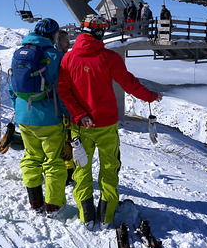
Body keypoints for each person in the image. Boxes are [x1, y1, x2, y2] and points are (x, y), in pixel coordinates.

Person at [58, 14, 163, 230]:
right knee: (109, 168)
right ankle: (105, 217)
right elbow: (130, 84)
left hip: (80, 126)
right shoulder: (110, 58)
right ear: (99, 33)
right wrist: (151, 96)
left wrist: (79, 115)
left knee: (82, 170)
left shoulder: (67, 59)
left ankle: (86, 217)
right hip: (106, 124)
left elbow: (63, 91)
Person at [9, 19, 69, 216]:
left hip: (24, 116)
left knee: (31, 157)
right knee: (53, 161)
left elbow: (12, 88)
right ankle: (53, 204)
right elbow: (61, 90)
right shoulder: (55, 55)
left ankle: (35, 201)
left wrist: (18, 109)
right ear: (53, 35)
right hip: (49, 117)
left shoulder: (19, 53)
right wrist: (66, 114)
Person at [54, 30, 75, 186]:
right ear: (57, 42)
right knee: (69, 141)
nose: (69, 44)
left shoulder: (49, 58)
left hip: (51, 109)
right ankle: (69, 173)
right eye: (65, 41)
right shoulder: (62, 59)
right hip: (64, 109)